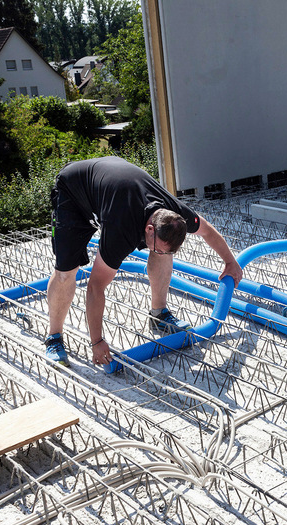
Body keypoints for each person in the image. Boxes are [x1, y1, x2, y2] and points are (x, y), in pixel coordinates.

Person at [44, 156, 243, 367]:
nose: (161, 253)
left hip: (111, 188)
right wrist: (97, 341)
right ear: (149, 229)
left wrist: (230, 261)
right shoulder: (121, 228)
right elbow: (95, 287)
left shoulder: (175, 215)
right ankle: (54, 337)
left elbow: (206, 231)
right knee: (66, 271)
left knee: (163, 251)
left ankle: (159, 314)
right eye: (156, 245)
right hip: (74, 193)